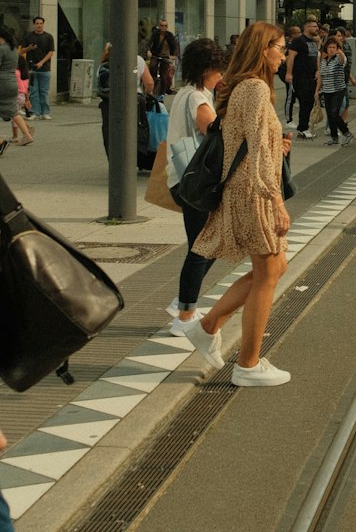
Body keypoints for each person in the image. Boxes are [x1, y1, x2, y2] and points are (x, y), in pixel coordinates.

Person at [182, 22, 293, 387]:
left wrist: (278, 146)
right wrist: (276, 201)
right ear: (265, 49)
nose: (284, 54)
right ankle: (247, 364)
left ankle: (208, 326)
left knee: (274, 268)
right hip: (254, 193)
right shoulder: (257, 89)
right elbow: (258, 151)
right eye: (280, 47)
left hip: (245, 190)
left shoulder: (241, 87)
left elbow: (248, 142)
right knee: (268, 273)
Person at [165, 38, 227, 335]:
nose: (222, 76)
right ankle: (185, 314)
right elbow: (216, 133)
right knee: (203, 246)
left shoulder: (185, 92)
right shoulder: (198, 98)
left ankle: (183, 301)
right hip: (194, 182)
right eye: (218, 70)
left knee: (207, 243)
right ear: (206, 69)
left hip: (183, 179)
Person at [96, 43, 154, 159]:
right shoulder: (137, 60)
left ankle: (113, 160)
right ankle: (133, 158)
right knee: (134, 130)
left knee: (110, 132)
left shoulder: (104, 64)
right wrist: (149, 92)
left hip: (109, 102)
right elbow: (149, 83)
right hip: (133, 101)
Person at [285, 17, 321, 139]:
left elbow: (316, 57)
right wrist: (289, 73)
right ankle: (302, 128)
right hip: (300, 77)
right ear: (307, 27)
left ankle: (304, 127)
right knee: (304, 102)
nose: (317, 29)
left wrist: (318, 71)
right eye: (314, 26)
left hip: (312, 77)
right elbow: (291, 57)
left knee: (309, 102)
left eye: (317, 26)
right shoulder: (298, 41)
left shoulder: (313, 42)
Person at [0, 28, 33, 155]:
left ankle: (0, 141)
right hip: (12, 83)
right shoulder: (14, 49)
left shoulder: (1, 49)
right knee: (13, 111)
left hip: (2, 82)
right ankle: (27, 134)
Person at [316, 36, 354, 147]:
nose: (331, 49)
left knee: (334, 113)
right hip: (327, 90)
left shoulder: (338, 59)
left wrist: (340, 52)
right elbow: (321, 77)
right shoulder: (323, 62)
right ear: (326, 49)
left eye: (334, 47)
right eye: (329, 47)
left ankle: (347, 133)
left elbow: (343, 60)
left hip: (338, 89)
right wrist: (317, 91)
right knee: (330, 114)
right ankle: (334, 138)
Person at [22, 15, 54, 120]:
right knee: (34, 91)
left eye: (41, 23)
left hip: (45, 68)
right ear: (34, 24)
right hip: (31, 68)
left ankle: (45, 112)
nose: (39, 25)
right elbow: (21, 50)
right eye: (37, 24)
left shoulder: (49, 37)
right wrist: (29, 48)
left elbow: (51, 52)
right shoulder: (28, 36)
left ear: (43, 24)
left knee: (44, 91)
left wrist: (41, 62)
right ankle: (35, 112)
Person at [146, 19, 179, 95]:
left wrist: (173, 56)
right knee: (152, 68)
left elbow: (175, 46)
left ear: (167, 27)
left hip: (165, 57)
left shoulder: (170, 35)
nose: (163, 27)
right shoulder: (155, 34)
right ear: (159, 26)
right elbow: (149, 43)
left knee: (164, 76)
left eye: (165, 26)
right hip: (155, 55)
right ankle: (151, 89)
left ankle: (162, 93)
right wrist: (148, 51)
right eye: (162, 25)